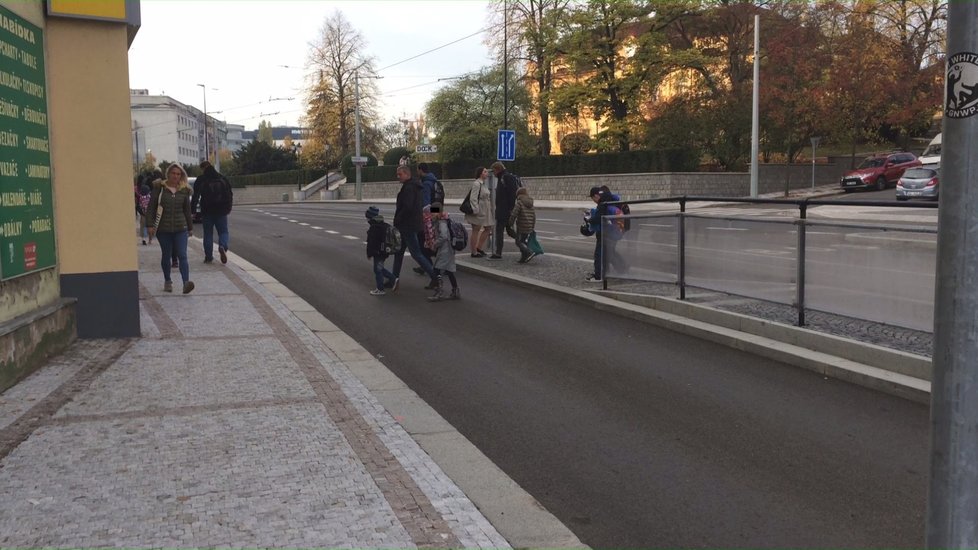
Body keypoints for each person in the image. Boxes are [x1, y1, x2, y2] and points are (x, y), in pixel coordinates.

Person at [146, 163, 195, 294]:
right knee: (166, 255)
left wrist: (190, 228)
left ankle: (186, 283)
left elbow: (187, 210)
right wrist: (149, 225)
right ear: (168, 174)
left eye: (178, 174)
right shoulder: (159, 188)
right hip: (164, 229)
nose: (175, 176)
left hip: (180, 228)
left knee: (182, 255)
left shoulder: (184, 190)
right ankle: (167, 281)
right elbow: (151, 208)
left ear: (181, 176)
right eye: (173, 173)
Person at [391, 164, 438, 288]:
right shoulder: (416, 185)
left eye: (400, 174)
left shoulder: (410, 187)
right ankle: (393, 278)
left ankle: (435, 276)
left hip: (408, 226)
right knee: (399, 252)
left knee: (416, 253)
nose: (398, 177)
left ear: (407, 174)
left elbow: (408, 207)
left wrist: (398, 219)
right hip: (412, 224)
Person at [191, 160, 233, 264]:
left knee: (208, 234)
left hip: (207, 211)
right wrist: (229, 207)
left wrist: (192, 211)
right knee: (223, 232)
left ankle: (208, 257)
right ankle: (222, 246)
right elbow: (230, 194)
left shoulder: (201, 179)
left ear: (203, 168)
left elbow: (195, 196)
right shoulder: (222, 178)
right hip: (222, 210)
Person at [582, 186, 626, 283]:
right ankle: (622, 270)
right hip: (616, 231)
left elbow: (598, 219)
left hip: (607, 233)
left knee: (599, 254)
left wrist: (589, 219)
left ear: (596, 196)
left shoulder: (603, 204)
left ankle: (599, 276)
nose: (593, 200)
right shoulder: (612, 201)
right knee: (610, 252)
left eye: (592, 198)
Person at [427, 202, 460, 301]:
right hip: (449, 248)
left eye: (434, 213)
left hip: (445, 249)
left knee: (437, 269)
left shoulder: (442, 222)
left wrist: (435, 244)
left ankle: (439, 292)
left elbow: (444, 236)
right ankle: (455, 291)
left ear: (439, 212)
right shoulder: (443, 220)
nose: (432, 214)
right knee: (449, 271)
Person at [490, 161, 520, 260]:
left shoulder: (505, 177)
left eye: (493, 171)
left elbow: (512, 194)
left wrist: (511, 209)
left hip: (504, 210)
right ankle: (525, 246)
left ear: (498, 169)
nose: (493, 173)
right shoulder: (502, 178)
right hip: (503, 209)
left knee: (500, 231)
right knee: (510, 231)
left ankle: (498, 253)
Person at [365, 206, 398, 296]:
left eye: (367, 217)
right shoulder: (382, 224)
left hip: (378, 252)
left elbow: (371, 243)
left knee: (378, 270)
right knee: (379, 268)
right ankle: (393, 279)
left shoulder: (374, 227)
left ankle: (381, 288)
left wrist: (369, 254)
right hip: (383, 251)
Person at [463, 166, 493, 257]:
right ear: (480, 173)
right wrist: (475, 210)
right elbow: (473, 198)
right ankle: (474, 252)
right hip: (479, 209)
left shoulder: (483, 184)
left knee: (488, 228)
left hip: (485, 208)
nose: (487, 173)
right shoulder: (476, 183)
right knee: (476, 229)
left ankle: (479, 248)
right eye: (485, 172)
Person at [508, 187, 537, 263]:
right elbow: (534, 216)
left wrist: (510, 223)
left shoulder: (519, 203)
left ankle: (530, 251)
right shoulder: (531, 203)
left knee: (518, 242)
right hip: (529, 226)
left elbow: (514, 214)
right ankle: (523, 258)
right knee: (523, 241)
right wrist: (532, 226)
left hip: (521, 226)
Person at [136, 177, 151, 245]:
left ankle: (143, 238)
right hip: (149, 214)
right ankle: (149, 239)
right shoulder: (149, 197)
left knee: (143, 226)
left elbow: (139, 206)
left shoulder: (141, 197)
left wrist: (141, 212)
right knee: (149, 226)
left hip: (143, 214)